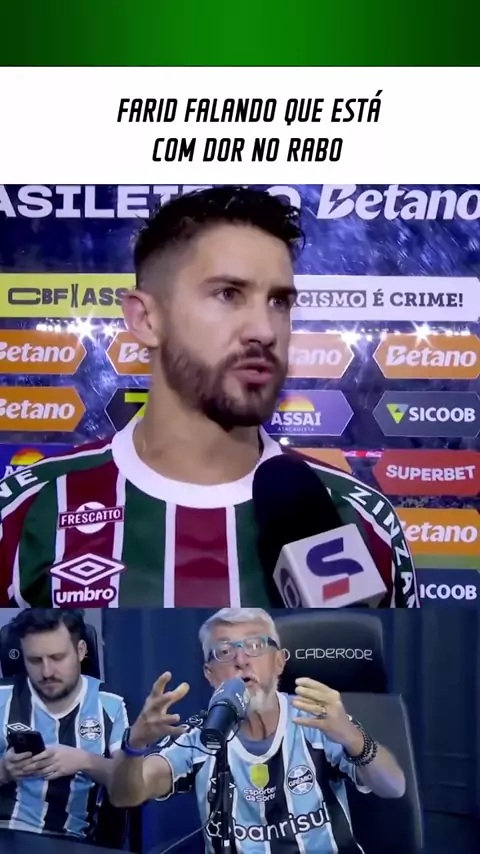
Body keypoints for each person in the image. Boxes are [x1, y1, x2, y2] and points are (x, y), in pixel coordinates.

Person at [0, 186, 419, 608]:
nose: (265, 330)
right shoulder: (26, 512)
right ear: (146, 319)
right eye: (228, 294)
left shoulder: (359, 519)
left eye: (278, 301)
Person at [109, 607, 406, 853]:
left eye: (255, 646)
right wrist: (134, 744)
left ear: (279, 662)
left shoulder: (318, 719)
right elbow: (125, 796)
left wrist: (352, 737)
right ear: (210, 675)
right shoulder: (201, 737)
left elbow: (394, 787)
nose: (241, 661)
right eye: (225, 651)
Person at [0, 609, 128, 840]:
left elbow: (130, 785)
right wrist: (4, 771)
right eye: (35, 660)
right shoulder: (2, 697)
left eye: (57, 658)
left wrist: (85, 761)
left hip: (68, 841)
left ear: (81, 651)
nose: (47, 672)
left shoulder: (111, 705)